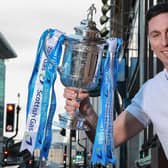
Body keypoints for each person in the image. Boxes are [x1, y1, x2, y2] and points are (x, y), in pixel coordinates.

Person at [63, 3, 168, 159]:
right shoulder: (150, 92)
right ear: (150, 43)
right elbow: (108, 140)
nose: (164, 41)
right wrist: (86, 109)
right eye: (156, 35)